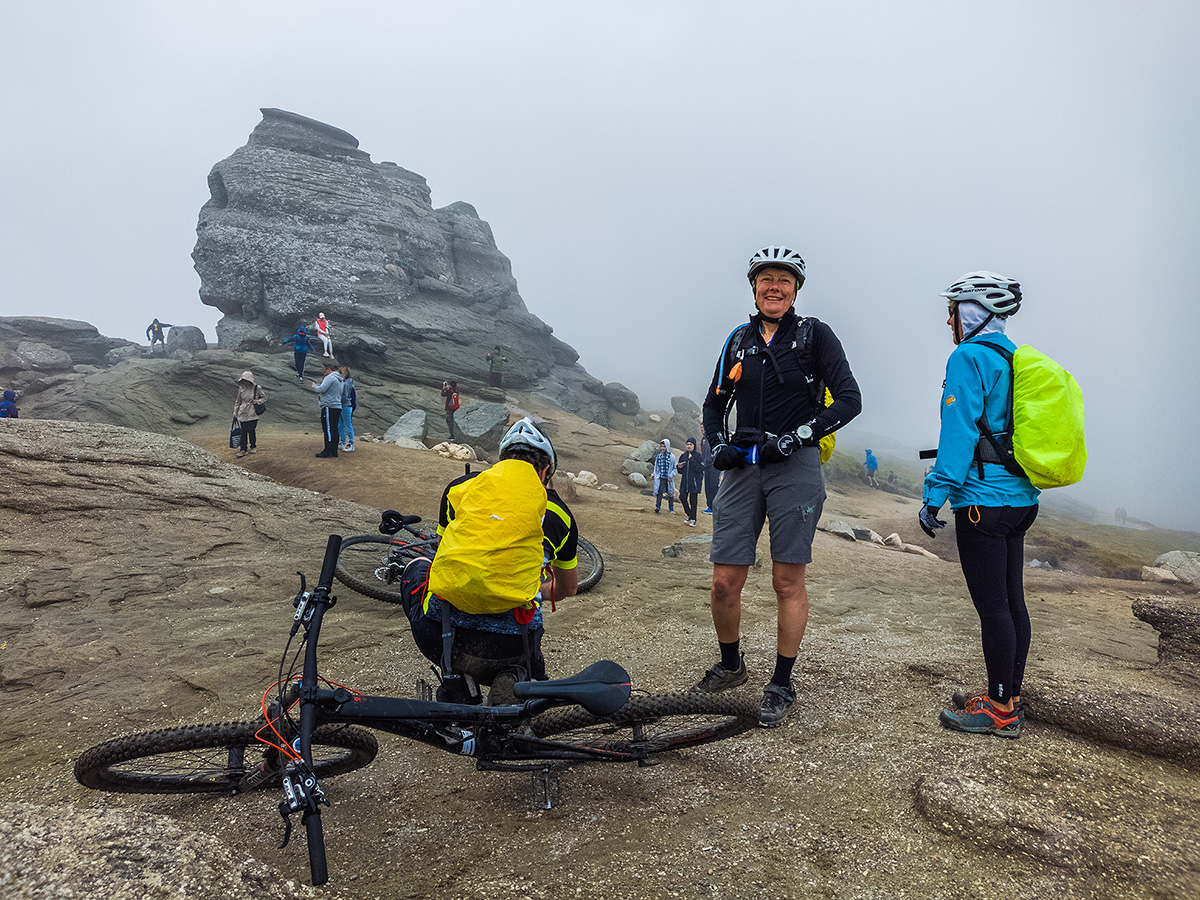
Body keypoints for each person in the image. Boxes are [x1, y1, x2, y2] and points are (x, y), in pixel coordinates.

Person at [693, 245, 862, 727]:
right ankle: (731, 666)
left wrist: (800, 435)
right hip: (743, 465)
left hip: (795, 465)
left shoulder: (815, 335)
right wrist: (718, 444)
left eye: (784, 280)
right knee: (724, 581)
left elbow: (849, 399)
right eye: (766, 279)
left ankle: (782, 682)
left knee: (786, 580)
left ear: (795, 290)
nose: (774, 287)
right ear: (754, 288)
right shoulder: (738, 340)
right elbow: (713, 404)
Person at [920, 271, 1039, 740]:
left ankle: (1000, 710)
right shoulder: (1014, 356)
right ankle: (1007, 694)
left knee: (994, 609)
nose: (948, 320)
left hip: (982, 503)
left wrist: (934, 497)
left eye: (952, 311)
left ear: (972, 313)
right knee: (1012, 601)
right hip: (1020, 500)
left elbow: (959, 433)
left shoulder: (968, 356)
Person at [397, 417, 579, 704]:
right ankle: (516, 675)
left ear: (501, 461)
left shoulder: (460, 487)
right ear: (545, 471)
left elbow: (443, 554)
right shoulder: (560, 513)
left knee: (417, 566)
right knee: (528, 657)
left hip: (441, 635)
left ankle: (457, 679)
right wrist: (534, 589)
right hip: (513, 646)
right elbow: (568, 589)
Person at [311, 360, 343, 458]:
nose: (323, 372)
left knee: (328, 429)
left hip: (329, 406)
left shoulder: (330, 377)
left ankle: (328, 451)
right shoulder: (340, 379)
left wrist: (314, 386)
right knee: (334, 429)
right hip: (336, 406)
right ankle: (334, 451)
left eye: (324, 370)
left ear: (329, 370)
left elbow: (322, 389)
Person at [231, 371, 265, 457]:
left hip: (253, 412)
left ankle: (253, 446)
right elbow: (238, 401)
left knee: (251, 430)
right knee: (243, 431)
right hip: (243, 412)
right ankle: (243, 449)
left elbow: (264, 398)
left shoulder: (257, 388)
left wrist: (257, 401)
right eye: (244, 380)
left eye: (246, 380)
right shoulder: (241, 389)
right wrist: (235, 412)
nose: (245, 382)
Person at [676, 438, 704, 526]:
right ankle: (689, 514)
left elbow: (700, 469)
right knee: (682, 497)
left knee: (693, 501)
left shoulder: (698, 456)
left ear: (694, 446)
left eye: (691, 444)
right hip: (685, 482)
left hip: (694, 482)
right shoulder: (683, 456)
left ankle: (693, 519)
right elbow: (680, 471)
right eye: (687, 444)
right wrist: (679, 467)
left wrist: (691, 459)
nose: (689, 446)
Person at [652, 439, 676, 514]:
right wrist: (654, 474)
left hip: (669, 478)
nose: (662, 448)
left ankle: (671, 507)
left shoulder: (672, 457)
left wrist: (671, 475)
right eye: (661, 446)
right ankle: (658, 506)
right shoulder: (659, 456)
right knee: (660, 491)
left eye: (664, 446)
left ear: (667, 446)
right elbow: (656, 467)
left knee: (670, 492)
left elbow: (675, 468)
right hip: (661, 477)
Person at [338, 365, 357, 452]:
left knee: (347, 425)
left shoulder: (345, 384)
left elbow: (344, 397)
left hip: (345, 406)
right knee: (340, 425)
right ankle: (342, 442)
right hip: (343, 406)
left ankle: (351, 444)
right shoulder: (349, 383)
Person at [700, 434, 720, 514]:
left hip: (714, 465)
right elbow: (703, 452)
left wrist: (712, 459)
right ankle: (709, 506)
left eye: (703, 428)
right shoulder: (703, 439)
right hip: (706, 465)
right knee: (707, 487)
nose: (702, 429)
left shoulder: (714, 437)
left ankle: (715, 507)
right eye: (701, 428)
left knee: (714, 486)